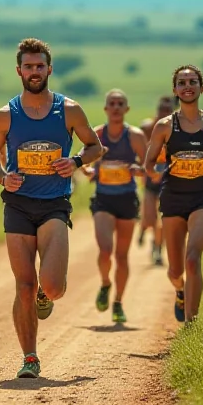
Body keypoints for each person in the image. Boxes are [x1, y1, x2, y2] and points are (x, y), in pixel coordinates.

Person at [0, 38, 103, 379]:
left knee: (52, 286)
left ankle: (44, 293)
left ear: (49, 69)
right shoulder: (6, 115)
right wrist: (4, 178)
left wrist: (76, 160)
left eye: (40, 66)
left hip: (54, 205)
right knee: (22, 284)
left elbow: (96, 146)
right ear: (19, 70)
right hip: (18, 204)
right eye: (28, 67)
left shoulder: (70, 110)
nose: (34, 72)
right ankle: (30, 358)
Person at [144, 65, 203, 324]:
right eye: (182, 82)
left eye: (192, 81)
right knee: (175, 270)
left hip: (202, 198)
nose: (187, 86)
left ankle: (191, 323)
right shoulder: (164, 126)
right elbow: (149, 163)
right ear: (175, 89)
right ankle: (180, 291)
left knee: (193, 259)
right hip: (173, 198)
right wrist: (153, 171)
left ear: (201, 88)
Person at [80, 89, 147, 324]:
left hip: (127, 198)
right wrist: (88, 169)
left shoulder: (136, 136)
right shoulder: (98, 134)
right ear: (106, 109)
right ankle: (105, 283)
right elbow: (82, 157)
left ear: (126, 109)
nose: (116, 107)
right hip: (104, 199)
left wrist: (141, 170)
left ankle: (118, 302)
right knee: (106, 250)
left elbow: (148, 164)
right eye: (112, 103)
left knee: (122, 255)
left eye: (120, 104)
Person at [138, 96, 175, 265]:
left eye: (168, 110)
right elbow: (139, 152)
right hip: (149, 180)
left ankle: (158, 248)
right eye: (162, 109)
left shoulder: (176, 131)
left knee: (162, 220)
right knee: (149, 217)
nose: (164, 113)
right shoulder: (146, 128)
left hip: (168, 182)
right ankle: (143, 229)